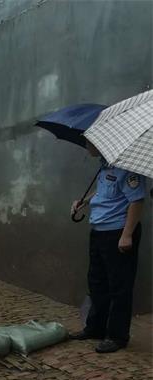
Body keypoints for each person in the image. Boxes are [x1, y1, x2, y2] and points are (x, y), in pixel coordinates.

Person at [69, 141, 146, 353]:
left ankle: (117, 336)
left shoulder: (128, 170)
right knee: (97, 282)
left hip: (117, 233)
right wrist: (84, 200)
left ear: (101, 144)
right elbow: (105, 191)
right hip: (99, 230)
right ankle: (95, 328)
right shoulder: (106, 165)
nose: (86, 145)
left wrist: (127, 235)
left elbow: (137, 201)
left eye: (88, 142)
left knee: (119, 286)